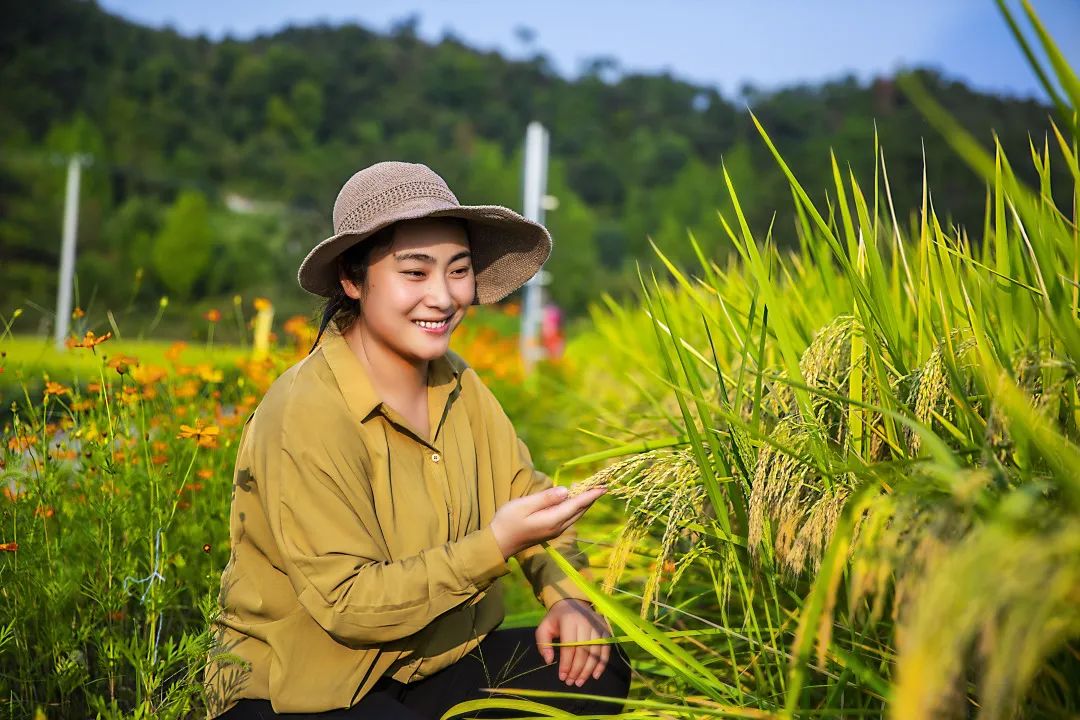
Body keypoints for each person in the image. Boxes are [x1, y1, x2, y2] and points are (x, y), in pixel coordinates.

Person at [205, 161, 630, 719]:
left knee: (597, 664)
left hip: (434, 662)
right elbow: (348, 606)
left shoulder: (460, 385)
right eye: (415, 272)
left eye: (457, 271)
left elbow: (528, 494)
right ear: (354, 281)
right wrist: (493, 545)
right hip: (300, 688)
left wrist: (567, 596)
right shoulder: (304, 412)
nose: (443, 297)